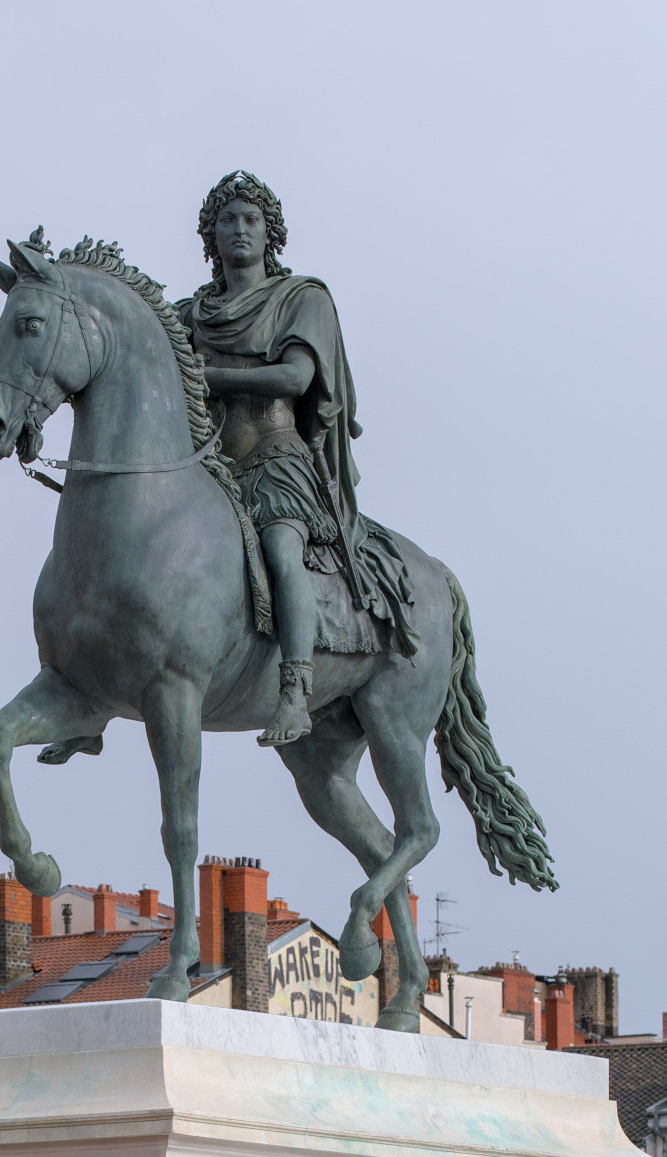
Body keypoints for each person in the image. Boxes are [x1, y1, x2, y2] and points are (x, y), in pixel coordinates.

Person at [178, 171, 416, 749]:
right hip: (208, 465)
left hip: (276, 455)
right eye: (227, 220)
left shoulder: (300, 298)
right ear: (211, 235)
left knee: (282, 546)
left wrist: (205, 375)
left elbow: (295, 376)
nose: (238, 229)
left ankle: (294, 686)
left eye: (250, 220)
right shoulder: (190, 314)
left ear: (269, 233)